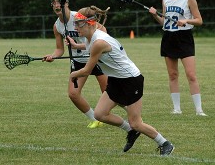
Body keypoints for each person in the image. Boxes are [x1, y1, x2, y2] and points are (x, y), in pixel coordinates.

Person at [69, 9, 174, 156]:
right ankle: (131, 131)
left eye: (78, 24)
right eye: (75, 23)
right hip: (116, 80)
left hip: (131, 81)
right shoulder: (90, 38)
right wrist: (76, 46)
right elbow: (89, 47)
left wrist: (73, 74)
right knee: (99, 114)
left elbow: (86, 70)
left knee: (136, 122)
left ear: (90, 22)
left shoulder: (99, 42)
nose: (75, 27)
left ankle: (164, 143)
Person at [42, 0, 107, 128]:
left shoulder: (78, 16)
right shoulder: (57, 26)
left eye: (59, 1)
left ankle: (134, 117)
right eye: (53, 3)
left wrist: (84, 46)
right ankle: (95, 119)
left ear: (66, 3)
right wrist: (52, 56)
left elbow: (103, 32)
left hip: (95, 57)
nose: (56, 5)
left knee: (108, 91)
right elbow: (60, 49)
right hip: (78, 60)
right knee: (73, 94)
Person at [148, 0, 207, 116]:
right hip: (169, 37)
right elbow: (164, 22)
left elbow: (199, 20)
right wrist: (155, 15)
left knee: (191, 75)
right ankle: (176, 109)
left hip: (184, 38)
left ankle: (199, 110)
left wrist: (187, 20)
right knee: (173, 75)